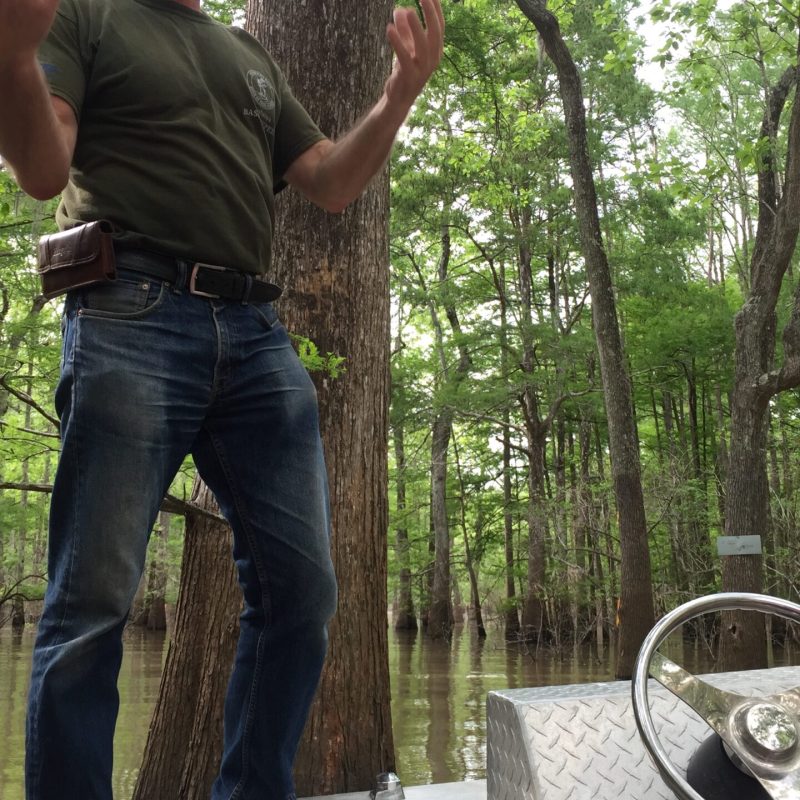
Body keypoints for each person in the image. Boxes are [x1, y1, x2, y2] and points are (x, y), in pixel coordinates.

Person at [0, 0, 444, 798]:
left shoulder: (249, 56)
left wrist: (399, 95)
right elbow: (40, 173)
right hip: (128, 309)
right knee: (92, 602)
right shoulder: (87, 18)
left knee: (302, 594)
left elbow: (332, 182)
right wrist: (11, 54)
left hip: (255, 332)